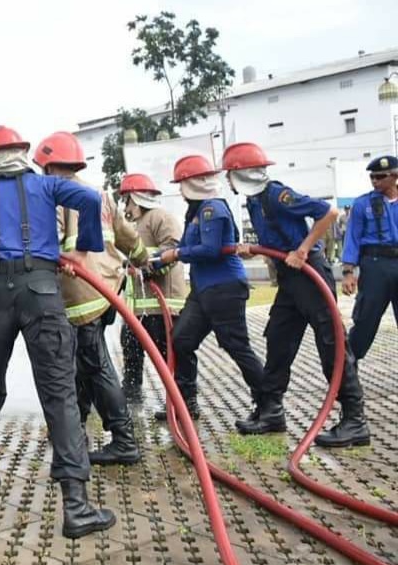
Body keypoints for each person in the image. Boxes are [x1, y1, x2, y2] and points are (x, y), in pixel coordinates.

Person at [0, 125, 116, 539]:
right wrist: (85, 246)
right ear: (23, 153)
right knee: (59, 392)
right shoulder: (45, 185)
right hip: (41, 290)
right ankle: (77, 507)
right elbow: (90, 197)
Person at [224, 142, 369, 446]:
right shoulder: (254, 201)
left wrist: (302, 250)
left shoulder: (277, 194)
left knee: (332, 345)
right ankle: (271, 410)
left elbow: (328, 212)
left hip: (309, 274)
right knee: (278, 338)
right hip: (289, 279)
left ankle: (355, 421)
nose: (227, 180)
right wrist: (254, 250)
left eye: (229, 174)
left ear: (242, 174)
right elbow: (275, 239)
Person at [32, 132, 144, 466]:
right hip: (106, 288)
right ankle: (74, 428)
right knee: (81, 362)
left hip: (79, 294)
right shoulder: (101, 193)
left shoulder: (54, 195)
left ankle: (123, 439)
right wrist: (142, 259)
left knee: (95, 364)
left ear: (50, 167)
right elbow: (127, 237)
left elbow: (47, 243)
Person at [153, 155, 265, 421]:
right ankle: (185, 403)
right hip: (203, 289)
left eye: (182, 184)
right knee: (181, 340)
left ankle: (268, 405)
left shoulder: (212, 209)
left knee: (236, 346)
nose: (180, 191)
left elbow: (211, 249)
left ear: (194, 183)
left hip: (224, 288)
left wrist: (177, 254)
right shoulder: (198, 210)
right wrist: (162, 258)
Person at [117, 174, 187, 401]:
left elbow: (171, 251)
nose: (125, 207)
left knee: (167, 355)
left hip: (162, 305)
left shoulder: (160, 218)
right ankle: (131, 391)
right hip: (138, 308)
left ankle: (179, 399)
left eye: (126, 200)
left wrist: (147, 270)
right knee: (130, 347)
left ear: (135, 199)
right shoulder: (134, 225)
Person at [341, 155, 398, 411]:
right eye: (372, 177)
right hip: (375, 265)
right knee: (365, 320)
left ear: (394, 176)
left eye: (380, 177)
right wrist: (348, 271)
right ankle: (348, 371)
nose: (375, 181)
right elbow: (352, 238)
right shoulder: (363, 204)